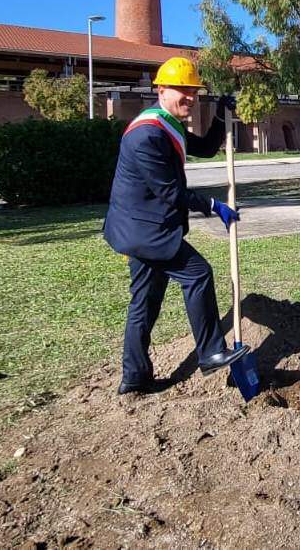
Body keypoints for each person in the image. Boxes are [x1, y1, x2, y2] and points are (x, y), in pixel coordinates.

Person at [103, 56, 249, 395]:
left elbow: (208, 148)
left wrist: (218, 114)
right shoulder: (147, 135)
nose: (190, 97)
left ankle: (134, 378)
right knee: (197, 273)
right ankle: (211, 352)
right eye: (182, 91)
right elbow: (171, 193)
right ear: (161, 89)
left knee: (144, 302)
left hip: (140, 229)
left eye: (194, 91)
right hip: (146, 231)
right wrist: (215, 206)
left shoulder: (168, 124)